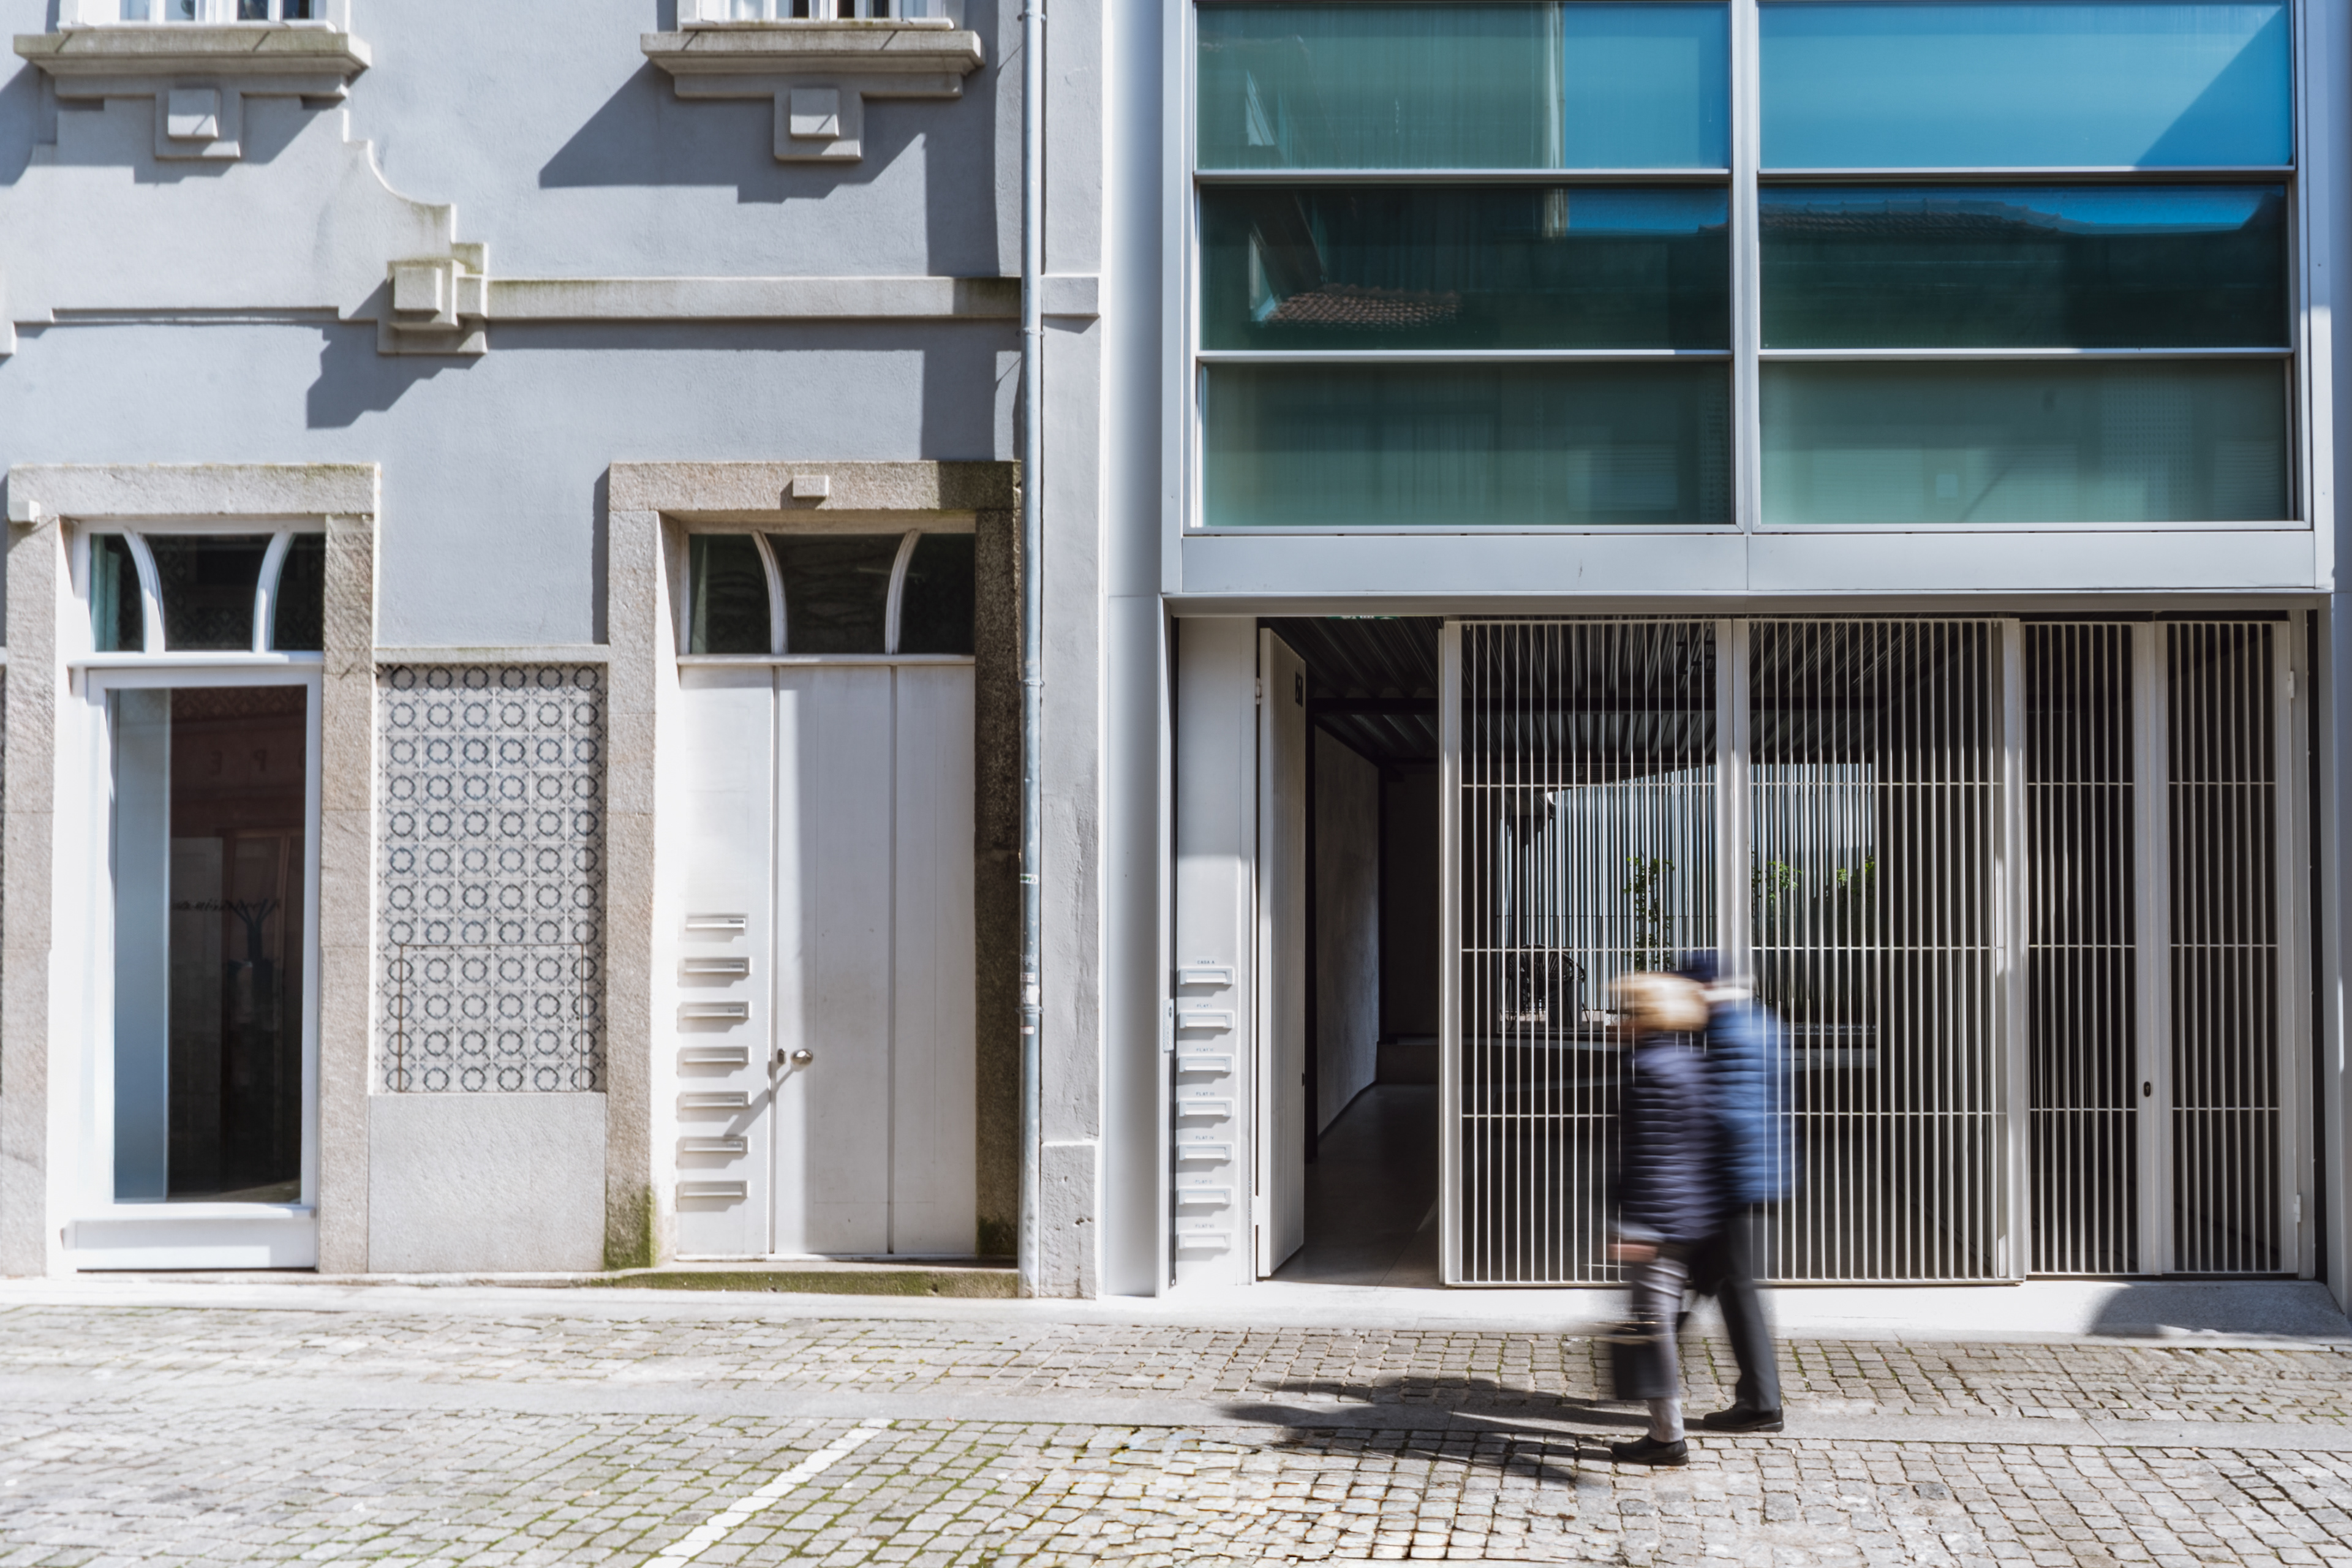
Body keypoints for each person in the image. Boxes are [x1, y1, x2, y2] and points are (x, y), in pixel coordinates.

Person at [1605, 971, 1717, 1468]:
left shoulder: (1647, 1068)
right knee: (1660, 1323)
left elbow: (1649, 1154)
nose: (1617, 1023)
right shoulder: (1691, 1062)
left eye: (1626, 1013)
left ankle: (1667, 1437)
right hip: (1690, 1213)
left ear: (1644, 1018)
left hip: (1658, 1218)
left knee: (1654, 1328)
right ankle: (1664, 1432)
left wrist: (1635, 1225)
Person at [1681, 951, 1793, 1434]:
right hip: (1759, 1172)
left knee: (1733, 1286)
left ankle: (1762, 1403)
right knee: (1717, 1279)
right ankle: (1655, 1367)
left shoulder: (1727, 1032)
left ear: (1705, 989)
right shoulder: (1762, 1022)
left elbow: (1726, 1113)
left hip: (1734, 1179)